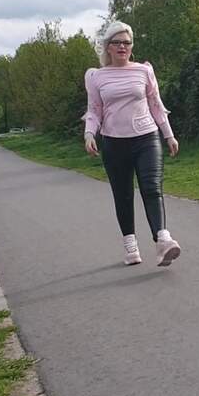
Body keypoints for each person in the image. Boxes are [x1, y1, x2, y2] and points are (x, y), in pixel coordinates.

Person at [82, 21, 181, 267]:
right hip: (114, 142)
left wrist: (168, 135)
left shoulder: (144, 71)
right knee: (123, 194)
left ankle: (163, 240)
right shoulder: (96, 77)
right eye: (117, 43)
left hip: (146, 138)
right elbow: (94, 109)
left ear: (132, 46)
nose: (122, 47)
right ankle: (131, 246)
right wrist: (89, 134)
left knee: (152, 187)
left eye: (127, 43)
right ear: (108, 47)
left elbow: (156, 104)